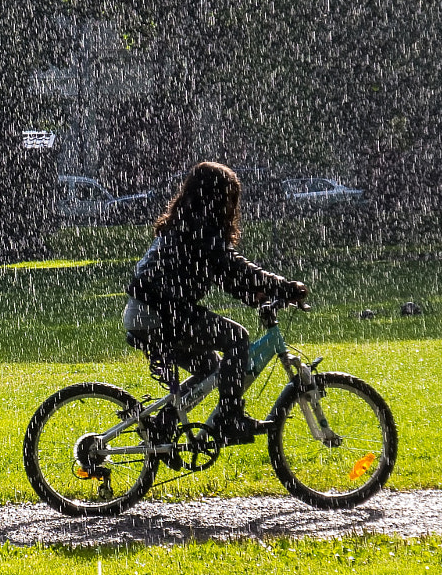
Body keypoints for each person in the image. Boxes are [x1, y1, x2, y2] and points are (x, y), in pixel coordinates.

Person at [123, 161, 307, 445]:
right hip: (160, 313)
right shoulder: (200, 230)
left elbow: (224, 275)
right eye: (230, 196)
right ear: (215, 197)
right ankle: (230, 419)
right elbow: (232, 266)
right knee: (237, 337)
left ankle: (164, 424)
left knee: (210, 366)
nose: (233, 205)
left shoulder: (187, 225)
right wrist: (283, 286)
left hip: (146, 312)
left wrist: (254, 295)